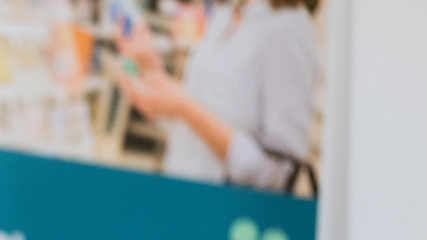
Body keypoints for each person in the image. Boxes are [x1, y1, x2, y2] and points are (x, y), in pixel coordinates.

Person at [116, 0, 321, 192]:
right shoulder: (226, 14)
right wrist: (153, 71)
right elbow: (203, 119)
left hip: (226, 215)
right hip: (181, 195)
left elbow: (279, 173)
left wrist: (184, 108)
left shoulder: (289, 30)